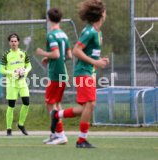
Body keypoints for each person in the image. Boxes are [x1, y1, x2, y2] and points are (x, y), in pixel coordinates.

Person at [50, 0, 109, 148]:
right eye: (105, 11)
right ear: (101, 14)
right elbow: (76, 51)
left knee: (85, 108)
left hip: (89, 72)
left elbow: (90, 53)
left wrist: (98, 60)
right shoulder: (89, 32)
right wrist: (95, 63)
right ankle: (81, 140)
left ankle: (57, 115)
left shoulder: (97, 32)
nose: (105, 13)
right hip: (83, 73)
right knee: (91, 104)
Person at [36, 8, 72, 145]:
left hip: (56, 74)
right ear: (60, 19)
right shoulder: (64, 35)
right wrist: (50, 59)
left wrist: (43, 53)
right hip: (63, 73)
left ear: (48, 19)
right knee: (56, 104)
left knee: (50, 104)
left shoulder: (51, 35)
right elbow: (68, 55)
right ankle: (54, 134)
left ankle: (61, 135)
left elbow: (56, 54)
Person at [0, 33, 32, 136]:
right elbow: (1, 70)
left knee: (26, 103)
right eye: (12, 41)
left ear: (18, 42)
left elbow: (29, 66)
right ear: (9, 43)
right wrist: (12, 73)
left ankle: (21, 124)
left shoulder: (23, 53)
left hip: (22, 83)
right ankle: (9, 129)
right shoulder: (6, 55)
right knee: (11, 106)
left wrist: (25, 72)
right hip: (11, 84)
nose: (14, 43)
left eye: (15, 41)